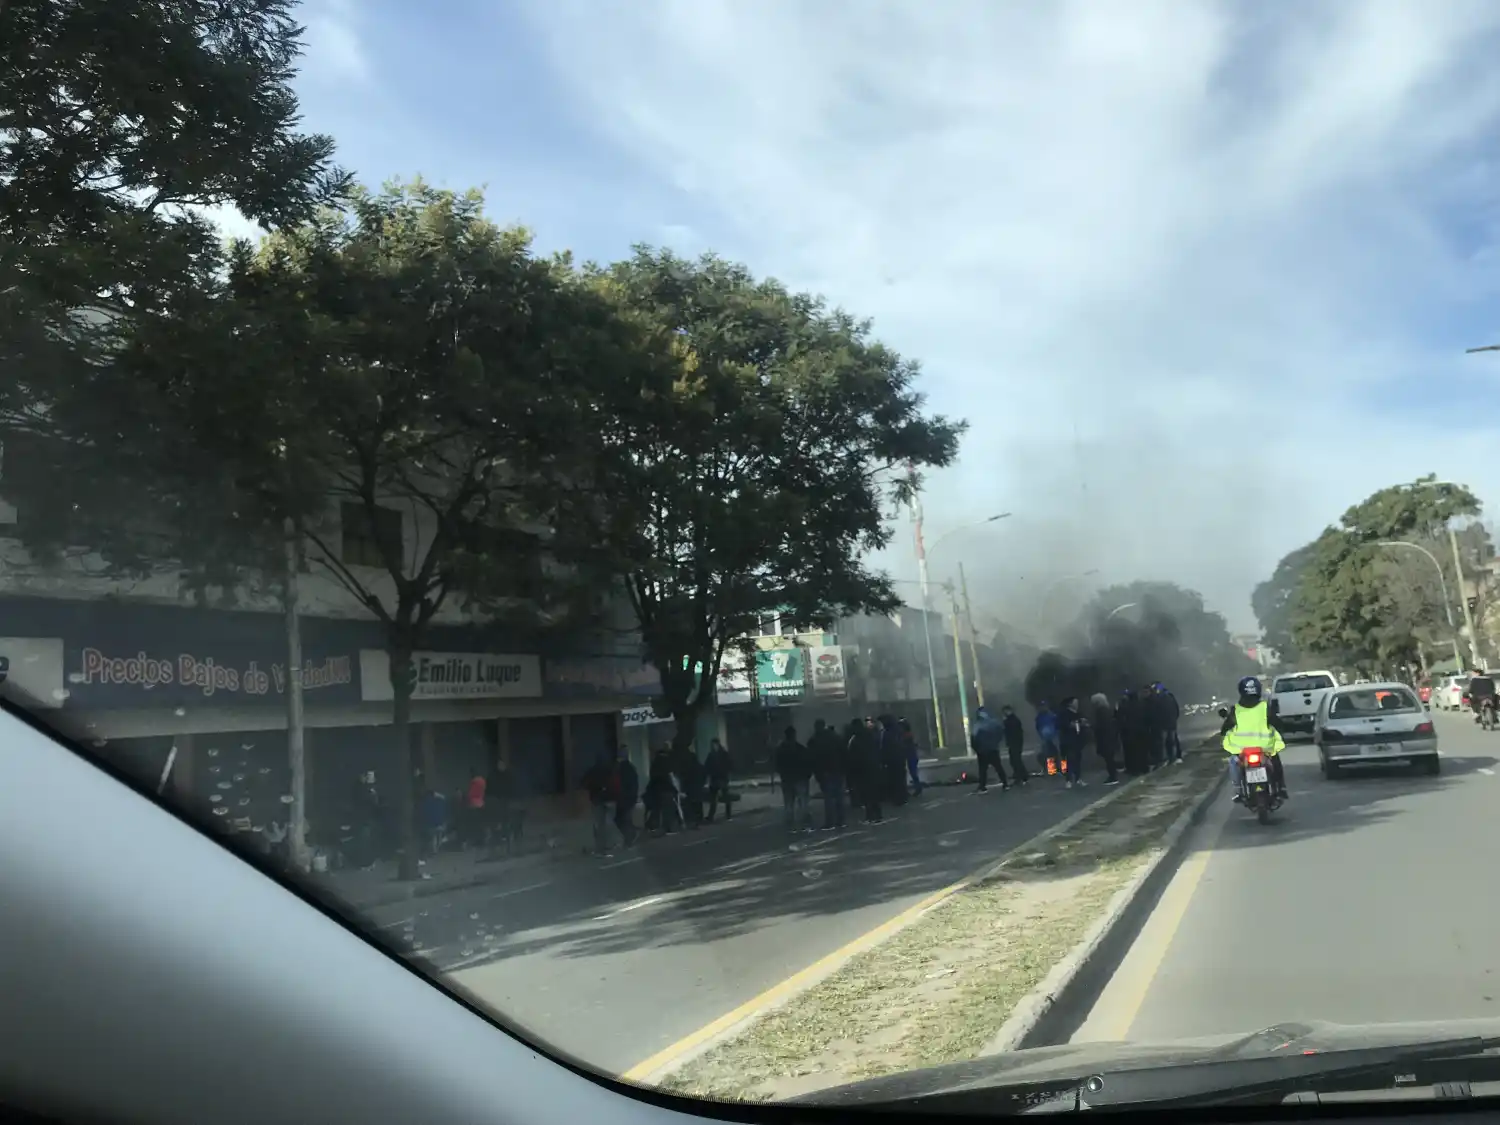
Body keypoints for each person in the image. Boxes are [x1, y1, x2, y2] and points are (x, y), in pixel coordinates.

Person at [1221, 676, 1287, 800]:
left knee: (1233, 763)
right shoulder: (1265, 707)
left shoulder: (1236, 710)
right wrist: (1282, 731)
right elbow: (1277, 723)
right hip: (1265, 747)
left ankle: (1238, 791)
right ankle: (1280, 787)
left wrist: (1223, 733)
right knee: (1275, 760)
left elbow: (1226, 727)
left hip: (1241, 749)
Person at [808, 719, 847, 829]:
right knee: (839, 796)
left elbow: (812, 758)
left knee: (828, 798)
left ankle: (830, 822)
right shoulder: (835, 737)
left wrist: (816, 773)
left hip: (824, 773)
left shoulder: (815, 740)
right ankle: (841, 820)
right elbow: (844, 753)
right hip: (837, 770)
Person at [775, 726, 814, 831]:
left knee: (788, 801)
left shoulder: (781, 749)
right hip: (799, 778)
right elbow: (807, 761)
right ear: (794, 735)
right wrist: (807, 774)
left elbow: (777, 763)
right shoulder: (799, 748)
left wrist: (782, 773)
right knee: (802, 800)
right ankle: (804, 818)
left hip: (787, 778)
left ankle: (789, 819)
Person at [970, 706, 1008, 792]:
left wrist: (976, 749)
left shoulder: (978, 725)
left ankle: (982, 786)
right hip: (992, 749)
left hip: (983, 750)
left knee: (983, 769)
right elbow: (1000, 734)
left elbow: (973, 738)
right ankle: (1005, 783)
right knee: (998, 767)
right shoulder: (994, 723)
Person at [1057, 696, 1089, 788]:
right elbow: (1064, 725)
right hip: (1068, 741)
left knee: (1078, 760)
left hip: (1078, 740)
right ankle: (1068, 780)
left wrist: (1083, 723)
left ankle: (1078, 778)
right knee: (1069, 760)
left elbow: (1084, 723)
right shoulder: (1064, 714)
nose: (1077, 704)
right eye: (1075, 702)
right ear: (1070, 703)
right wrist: (1076, 723)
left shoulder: (1078, 713)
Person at [1089, 692, 1121, 784]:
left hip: (1105, 738)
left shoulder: (1101, 711)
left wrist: (1092, 726)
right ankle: (1114, 773)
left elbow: (1102, 725)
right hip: (1110, 737)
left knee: (1108, 758)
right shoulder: (1108, 709)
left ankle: (1113, 776)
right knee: (1109, 757)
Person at [703, 738, 733, 822]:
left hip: (722, 778)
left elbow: (729, 765)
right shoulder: (711, 755)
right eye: (712, 745)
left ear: (718, 745)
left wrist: (727, 776)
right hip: (715, 779)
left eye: (714, 745)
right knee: (713, 799)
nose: (713, 747)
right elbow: (707, 768)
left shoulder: (723, 754)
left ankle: (728, 815)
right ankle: (711, 816)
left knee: (726, 797)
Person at [1000, 704, 1029, 784]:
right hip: (1015, 742)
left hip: (1015, 743)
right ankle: (1020, 775)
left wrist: (1005, 722)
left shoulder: (1012, 720)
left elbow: (1011, 731)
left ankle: (1022, 776)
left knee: (1016, 760)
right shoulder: (1012, 719)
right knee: (1014, 760)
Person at [1035, 701, 1060, 778]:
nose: (1043, 708)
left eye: (1044, 706)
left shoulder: (1051, 715)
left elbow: (1057, 725)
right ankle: (1052, 771)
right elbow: (1038, 727)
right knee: (1049, 754)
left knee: (1058, 754)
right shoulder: (1039, 717)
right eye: (1041, 706)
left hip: (1054, 737)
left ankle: (1063, 769)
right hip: (1045, 739)